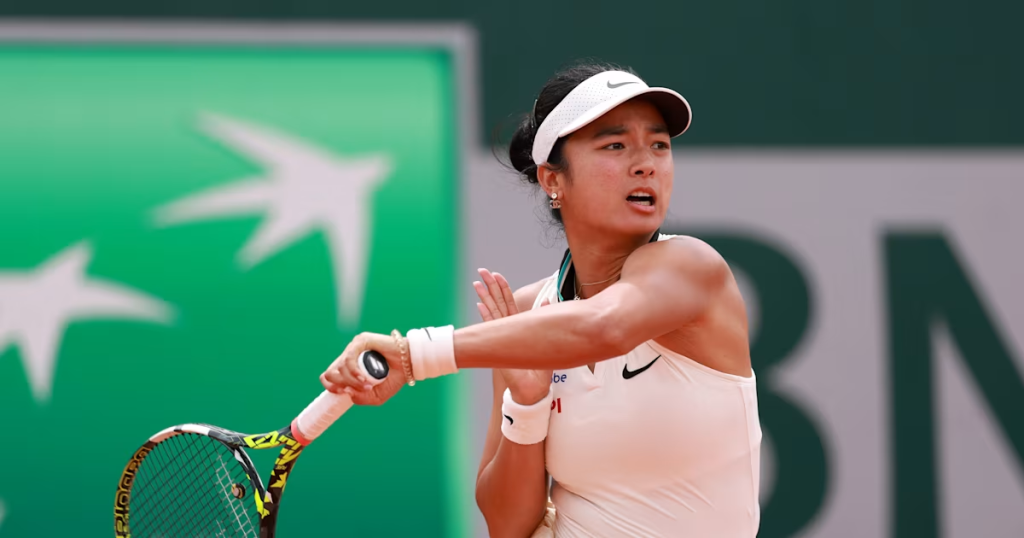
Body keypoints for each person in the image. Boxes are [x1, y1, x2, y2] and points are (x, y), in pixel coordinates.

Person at [320, 62, 762, 538]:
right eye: (615, 145)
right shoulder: (529, 315)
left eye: (659, 145)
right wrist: (527, 407)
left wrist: (416, 355)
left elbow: (604, 327)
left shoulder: (692, 267)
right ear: (553, 180)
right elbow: (507, 525)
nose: (646, 163)